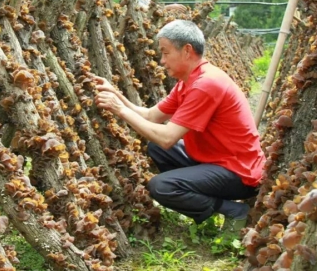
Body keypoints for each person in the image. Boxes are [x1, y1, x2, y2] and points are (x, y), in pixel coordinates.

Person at [94, 19, 265, 233]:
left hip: (239, 172)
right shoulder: (188, 81)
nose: (162, 61)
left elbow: (167, 138)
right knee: (154, 148)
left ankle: (232, 210)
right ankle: (203, 204)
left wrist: (120, 110)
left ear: (187, 50)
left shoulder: (206, 84)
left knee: (161, 186)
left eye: (166, 53)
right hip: (216, 160)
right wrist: (115, 95)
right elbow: (152, 115)